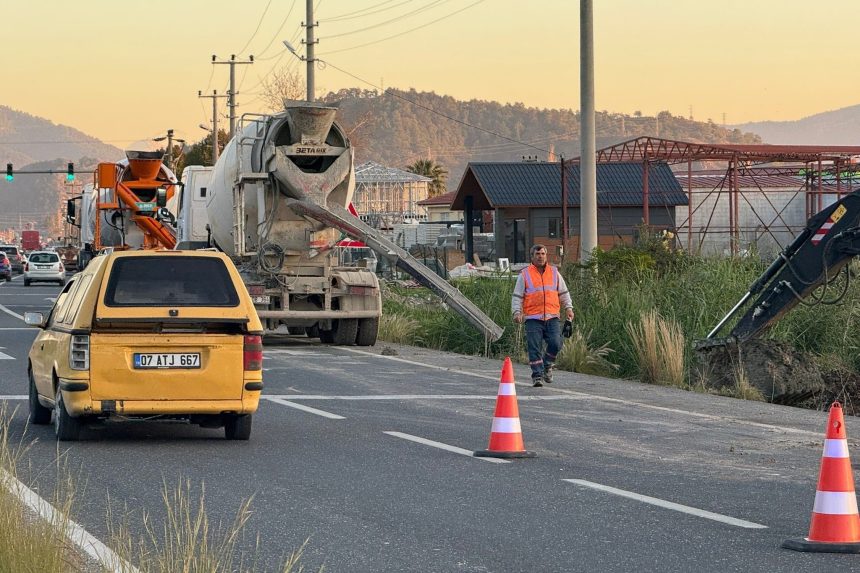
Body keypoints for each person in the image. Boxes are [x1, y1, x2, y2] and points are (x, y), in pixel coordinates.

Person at [511, 244, 575, 387]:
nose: (540, 257)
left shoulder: (554, 273)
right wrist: (516, 312)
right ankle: (537, 375)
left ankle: (547, 364)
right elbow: (517, 296)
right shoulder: (525, 274)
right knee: (534, 347)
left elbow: (564, 293)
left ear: (546, 256)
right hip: (533, 318)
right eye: (537, 254)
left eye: (543, 254)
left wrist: (569, 308)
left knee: (556, 343)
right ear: (532, 257)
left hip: (552, 317)